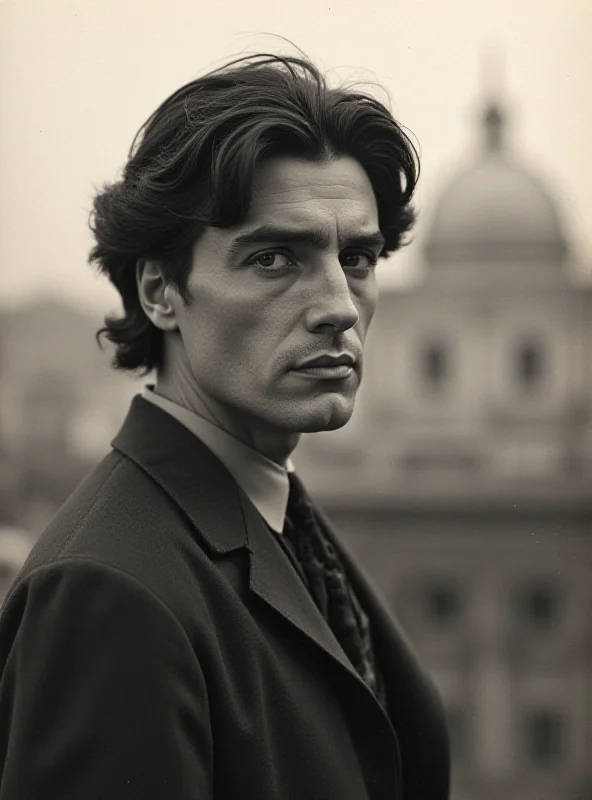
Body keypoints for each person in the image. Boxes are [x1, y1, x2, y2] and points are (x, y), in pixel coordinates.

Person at [0, 53, 450, 799]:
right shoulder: (108, 593)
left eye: (358, 257)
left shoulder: (269, 514)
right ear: (161, 290)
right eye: (276, 258)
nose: (339, 304)